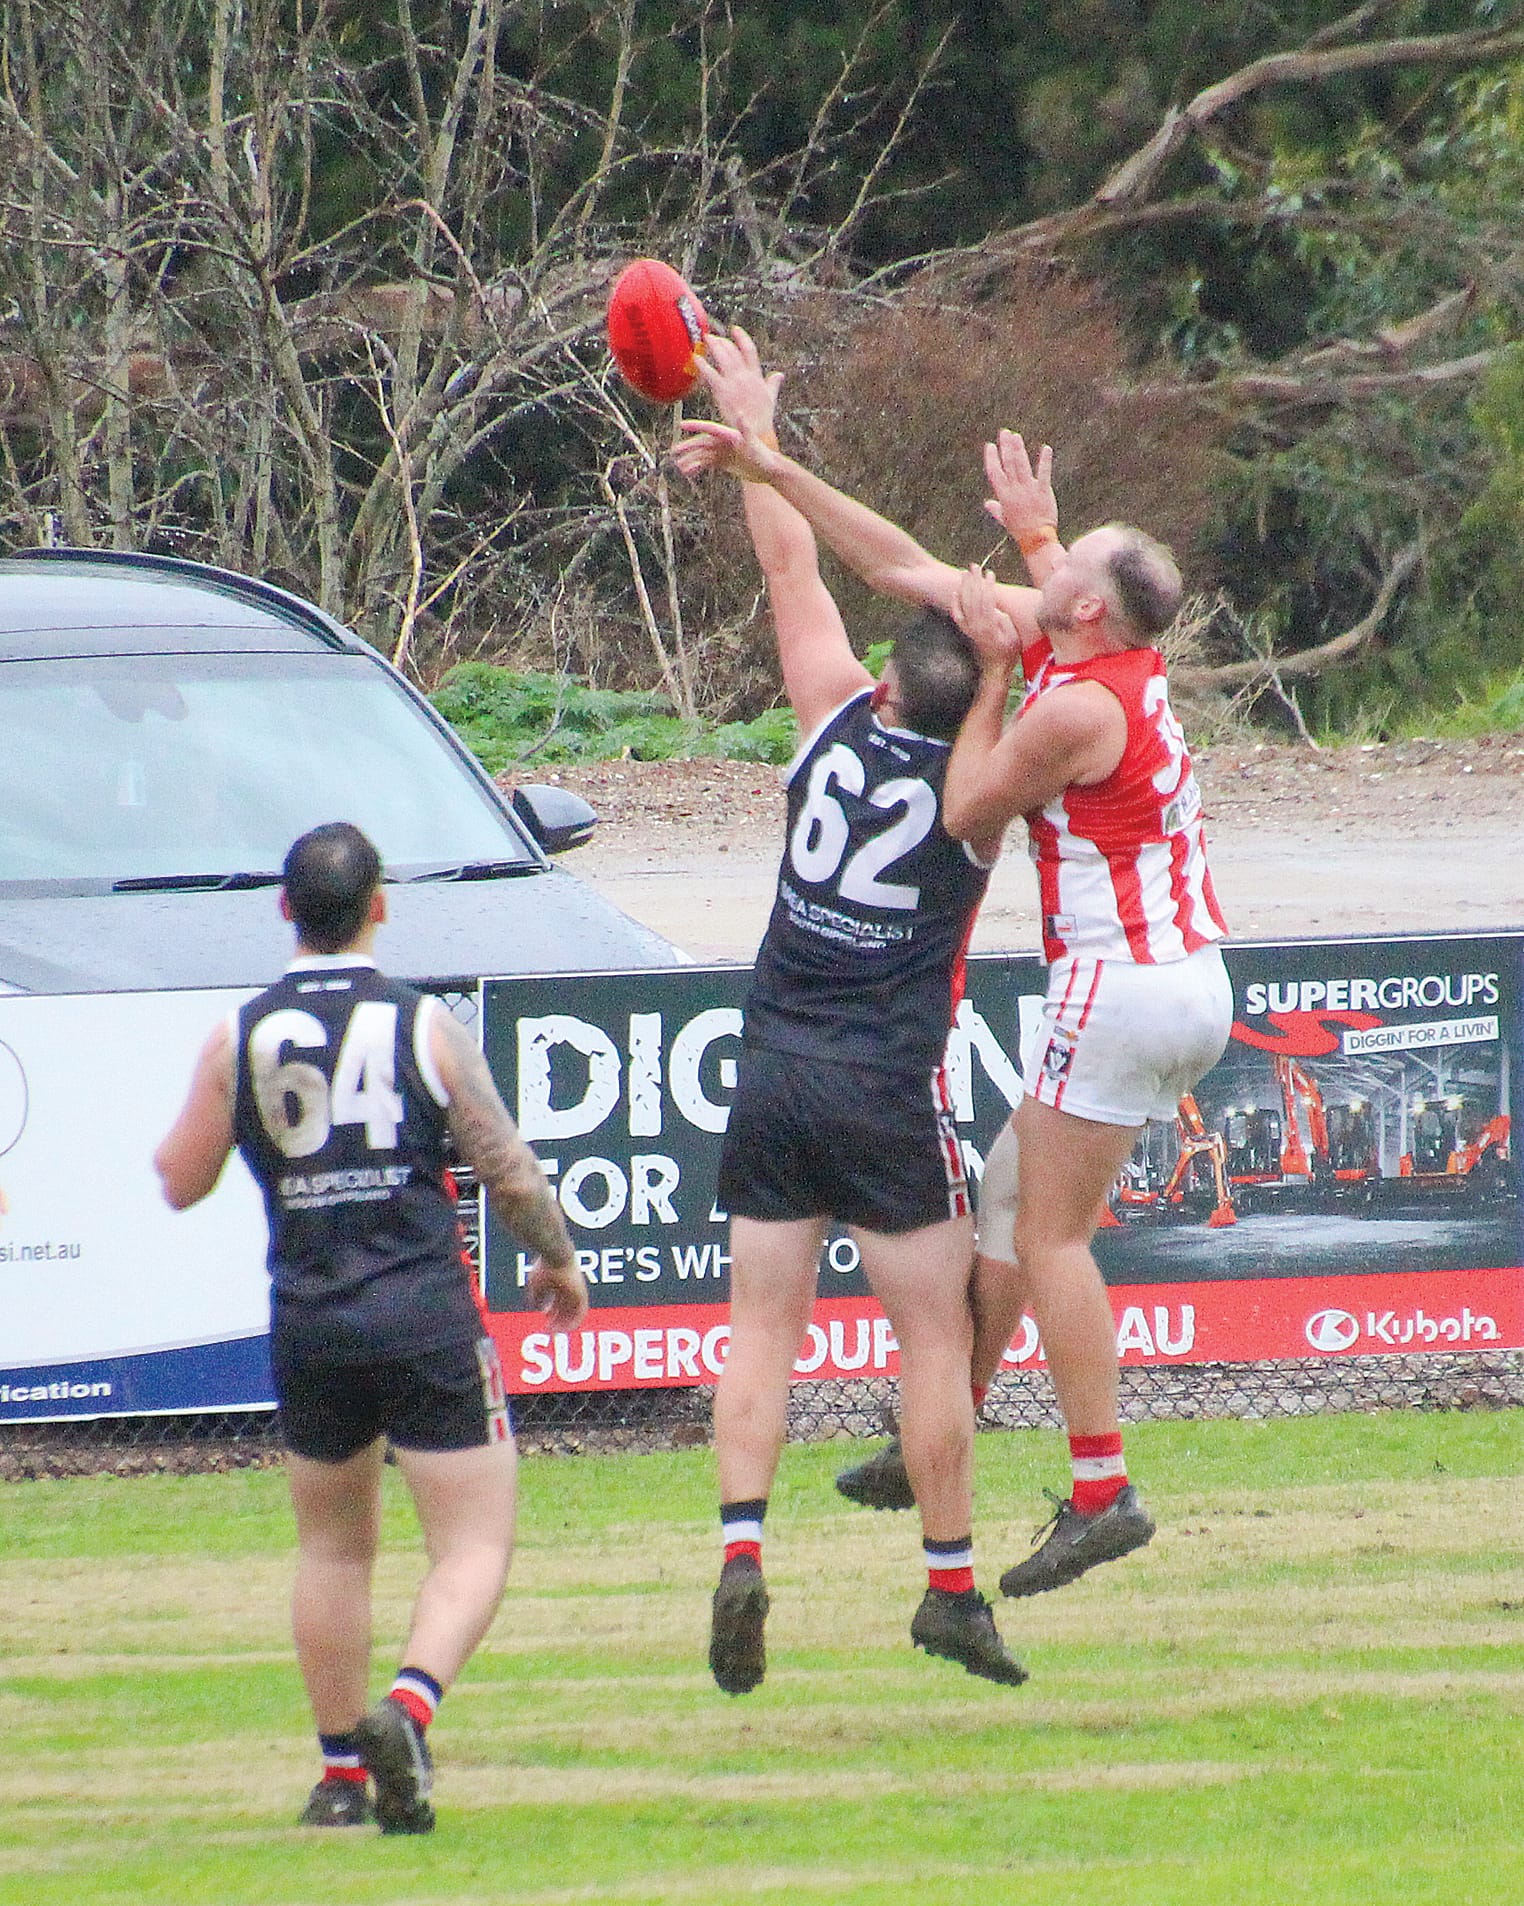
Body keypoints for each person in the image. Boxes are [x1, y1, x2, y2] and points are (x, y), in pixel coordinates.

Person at [678, 366, 1232, 1599]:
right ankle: (946, 1427)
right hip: (1187, 977)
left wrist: (988, 676)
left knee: (1048, 1236)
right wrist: (774, 459)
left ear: (1078, 609)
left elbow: (967, 801)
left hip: (1118, 985)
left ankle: (1103, 1488)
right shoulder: (1101, 644)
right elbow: (897, 565)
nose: (1051, 551)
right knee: (1003, 1204)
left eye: (1065, 553)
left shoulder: (1061, 708)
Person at [673, 328, 1026, 1691]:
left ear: (886, 686)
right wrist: (1003, 656)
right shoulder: (979, 794)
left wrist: (753, 438)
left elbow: (793, 569)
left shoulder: (830, 716)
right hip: (884, 1085)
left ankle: (742, 1550)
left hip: (772, 1066)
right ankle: (949, 1586)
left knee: (759, 1326)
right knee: (935, 1337)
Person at [154, 822, 586, 1833]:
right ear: (380, 906)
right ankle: (408, 1707)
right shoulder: (422, 1025)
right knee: (473, 1545)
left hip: (310, 1319)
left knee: (332, 1552)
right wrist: (557, 1257)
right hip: (423, 1313)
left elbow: (178, 1179)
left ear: (284, 911)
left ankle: (339, 1779)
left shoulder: (239, 1036)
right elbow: (508, 1168)